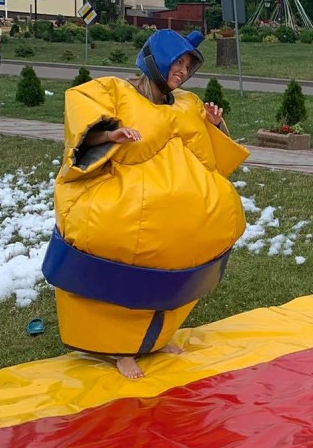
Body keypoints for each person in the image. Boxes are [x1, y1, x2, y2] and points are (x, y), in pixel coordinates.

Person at [42, 29, 250, 380]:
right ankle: (120, 348)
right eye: (177, 63)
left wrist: (214, 125)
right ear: (155, 60)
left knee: (180, 259)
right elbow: (83, 124)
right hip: (122, 201)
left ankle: (156, 338)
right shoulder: (114, 91)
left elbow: (211, 157)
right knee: (123, 259)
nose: (182, 72)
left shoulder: (187, 103)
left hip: (182, 218)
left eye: (187, 66)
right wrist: (112, 134)